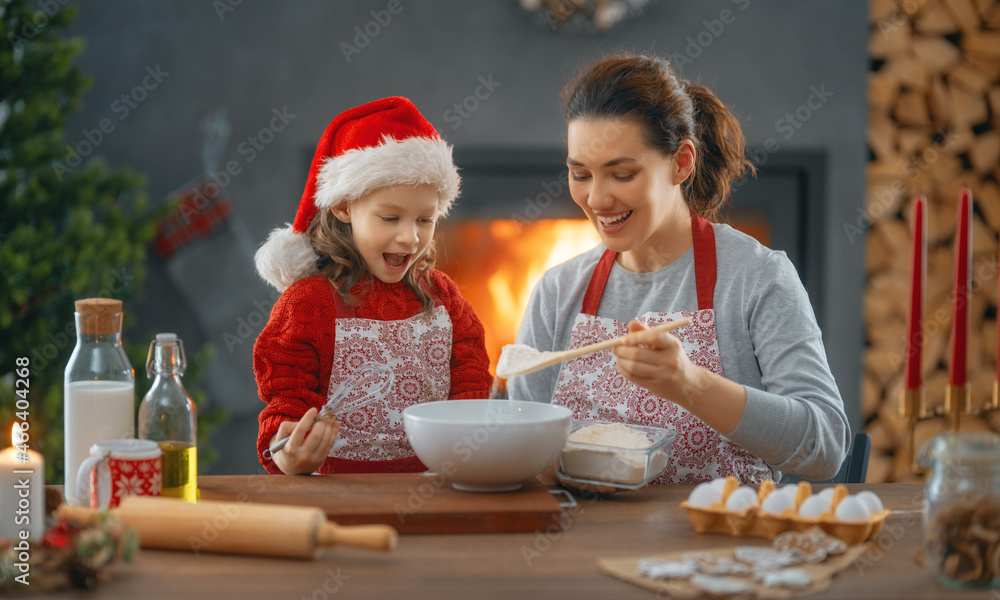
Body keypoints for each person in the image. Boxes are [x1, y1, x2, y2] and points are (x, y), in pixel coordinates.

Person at [509, 52, 850, 484]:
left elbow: (825, 448)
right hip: (579, 545)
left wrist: (691, 384)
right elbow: (523, 448)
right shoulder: (558, 291)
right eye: (580, 174)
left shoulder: (757, 278)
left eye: (622, 174)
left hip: (716, 544)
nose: (596, 199)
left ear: (681, 162)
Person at [254, 96, 493, 475]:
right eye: (390, 217)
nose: (410, 238)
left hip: (435, 491)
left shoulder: (443, 297)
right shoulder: (308, 304)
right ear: (344, 207)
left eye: (424, 220)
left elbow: (470, 380)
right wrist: (289, 453)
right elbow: (286, 409)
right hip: (342, 502)